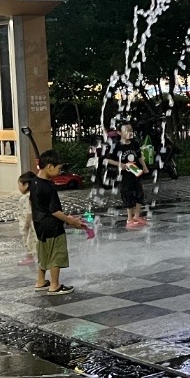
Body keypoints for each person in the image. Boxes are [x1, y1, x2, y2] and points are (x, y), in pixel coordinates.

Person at [31, 149, 88, 294]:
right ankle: (55, 285)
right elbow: (54, 210)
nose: (60, 171)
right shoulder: (48, 186)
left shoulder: (35, 182)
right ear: (49, 167)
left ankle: (41, 281)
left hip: (39, 225)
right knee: (56, 254)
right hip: (52, 226)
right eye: (59, 168)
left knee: (44, 252)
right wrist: (71, 221)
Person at [101, 121, 149, 228]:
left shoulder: (134, 143)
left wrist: (144, 167)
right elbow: (107, 160)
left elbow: (139, 156)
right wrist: (120, 164)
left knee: (139, 193)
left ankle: (136, 215)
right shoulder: (117, 146)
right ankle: (129, 218)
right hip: (123, 175)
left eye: (131, 130)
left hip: (135, 172)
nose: (130, 133)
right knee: (127, 194)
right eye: (126, 131)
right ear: (119, 132)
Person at [17, 172, 38, 266]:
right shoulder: (33, 195)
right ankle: (32, 256)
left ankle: (30, 256)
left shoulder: (26, 197)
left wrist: (27, 223)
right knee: (32, 239)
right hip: (32, 222)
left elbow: (29, 212)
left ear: (26, 185)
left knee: (28, 239)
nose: (19, 188)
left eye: (19, 185)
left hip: (27, 222)